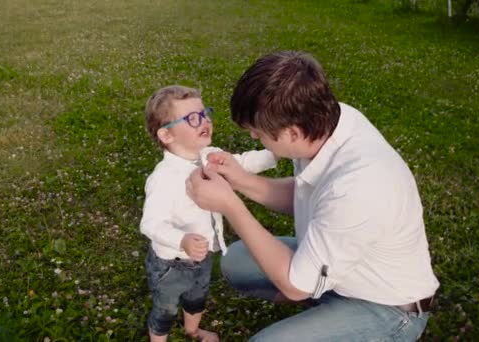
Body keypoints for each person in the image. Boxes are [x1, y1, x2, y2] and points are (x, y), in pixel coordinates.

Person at [185, 51, 440, 341]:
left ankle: (348, 316)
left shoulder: (359, 185)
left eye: (258, 132)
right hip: (344, 273)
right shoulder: (327, 122)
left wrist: (230, 206)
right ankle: (324, 299)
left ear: (292, 133)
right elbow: (307, 192)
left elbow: (295, 286)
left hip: (389, 307)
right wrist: (241, 180)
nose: (255, 138)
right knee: (237, 262)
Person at [141, 85, 277, 342]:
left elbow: (241, 163)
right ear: (167, 135)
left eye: (205, 114)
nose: (204, 122)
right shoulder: (163, 180)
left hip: (203, 256)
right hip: (172, 263)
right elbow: (151, 224)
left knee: (197, 300)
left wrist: (274, 154)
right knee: (165, 309)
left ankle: (192, 331)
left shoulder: (210, 155)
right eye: (193, 119)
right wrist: (181, 240)